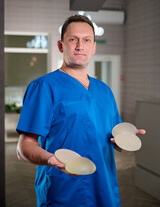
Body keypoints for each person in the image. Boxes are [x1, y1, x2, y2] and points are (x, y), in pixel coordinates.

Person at [16, 15, 145, 207]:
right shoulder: (43, 87)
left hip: (104, 188)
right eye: (72, 39)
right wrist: (53, 160)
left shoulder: (104, 91)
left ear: (93, 47)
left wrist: (125, 140)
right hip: (64, 188)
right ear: (61, 46)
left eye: (86, 40)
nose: (80, 46)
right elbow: (23, 148)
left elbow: (111, 141)